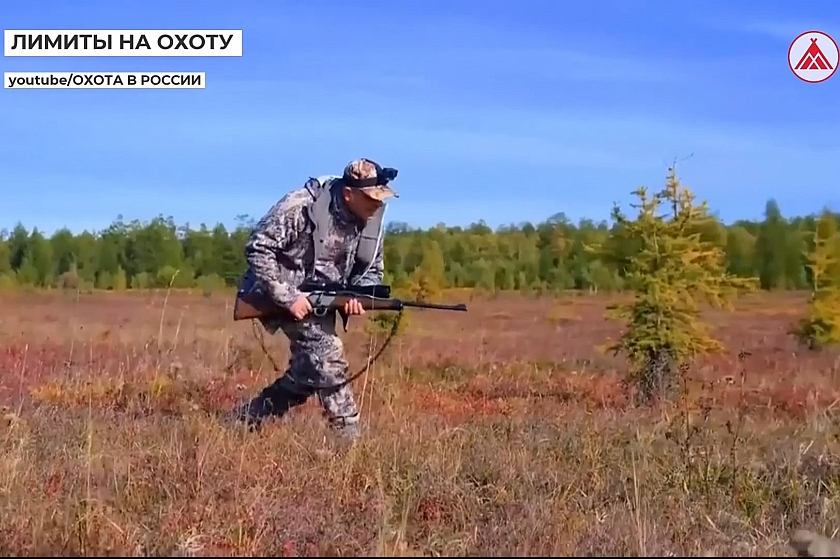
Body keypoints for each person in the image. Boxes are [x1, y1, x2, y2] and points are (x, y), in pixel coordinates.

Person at [231, 158, 398, 441]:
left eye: (381, 199)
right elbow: (258, 247)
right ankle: (349, 442)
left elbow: (373, 270)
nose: (377, 206)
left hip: (325, 300)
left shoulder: (372, 219)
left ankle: (246, 419)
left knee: (307, 375)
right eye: (371, 199)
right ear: (349, 193)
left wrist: (356, 298)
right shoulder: (300, 206)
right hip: (281, 293)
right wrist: (287, 297)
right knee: (328, 357)